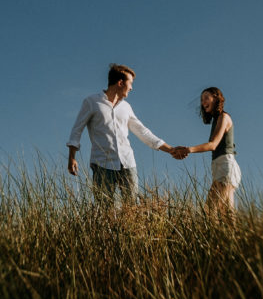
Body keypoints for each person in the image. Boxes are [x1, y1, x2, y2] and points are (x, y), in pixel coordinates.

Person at [67, 63, 184, 207]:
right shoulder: (92, 102)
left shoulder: (126, 107)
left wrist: (170, 149)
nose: (131, 87)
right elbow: (77, 129)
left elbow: (142, 131)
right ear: (120, 82)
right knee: (106, 209)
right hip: (102, 164)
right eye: (130, 83)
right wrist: (72, 157)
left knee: (132, 207)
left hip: (128, 163)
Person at [173, 87, 241, 219]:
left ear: (216, 98)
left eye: (206, 98)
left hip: (226, 167)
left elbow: (213, 145)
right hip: (220, 168)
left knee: (210, 211)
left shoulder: (224, 117)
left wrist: (188, 149)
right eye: (201, 99)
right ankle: (232, 239)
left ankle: (218, 238)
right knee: (226, 214)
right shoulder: (217, 120)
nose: (203, 102)